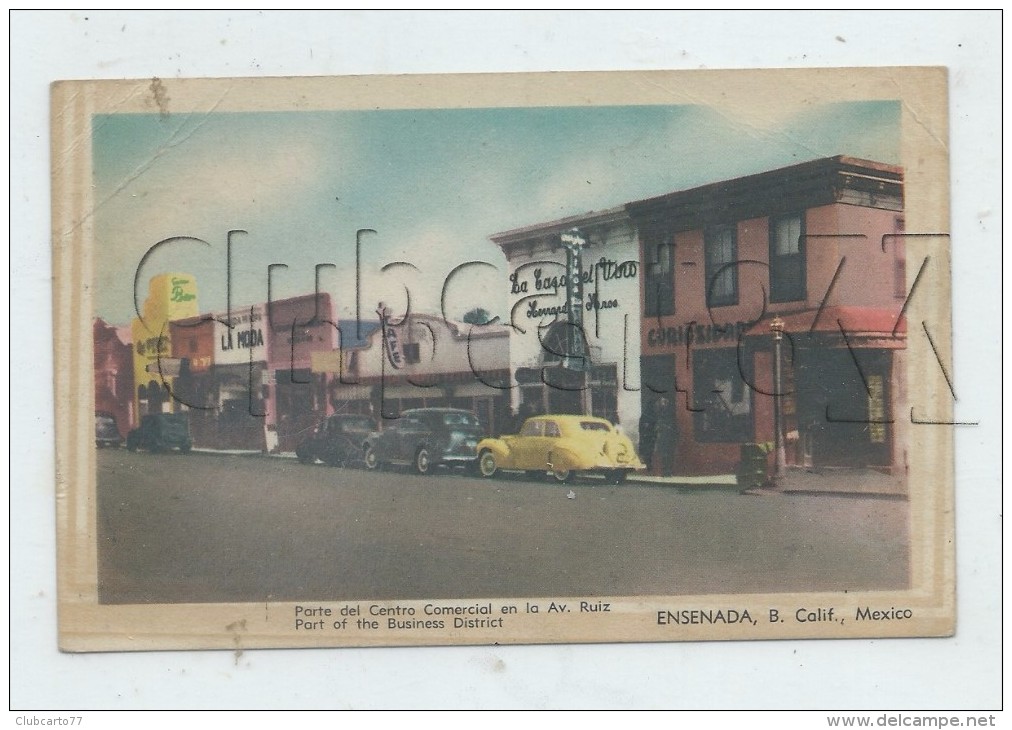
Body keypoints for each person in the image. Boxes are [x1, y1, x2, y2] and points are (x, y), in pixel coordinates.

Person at [652, 395, 678, 476]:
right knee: (665, 455)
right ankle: (666, 471)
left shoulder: (666, 413)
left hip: (667, 437)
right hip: (665, 437)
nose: (664, 403)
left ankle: (667, 471)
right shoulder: (661, 412)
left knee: (667, 454)